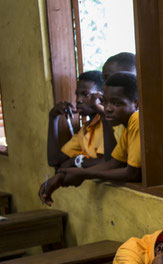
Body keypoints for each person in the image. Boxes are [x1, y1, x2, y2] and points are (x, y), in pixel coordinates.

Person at [39, 72, 140, 206]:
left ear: (136, 104)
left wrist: (82, 173)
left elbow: (132, 173)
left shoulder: (136, 119)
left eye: (116, 103)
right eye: (105, 102)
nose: (108, 108)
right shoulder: (126, 125)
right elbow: (113, 164)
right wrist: (66, 173)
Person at [46, 71, 105, 169]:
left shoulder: (107, 124)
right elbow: (54, 160)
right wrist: (53, 117)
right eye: (77, 95)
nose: (78, 100)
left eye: (85, 94)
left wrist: (75, 161)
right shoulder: (85, 130)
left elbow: (107, 162)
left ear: (100, 97)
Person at [100, 52, 137, 155]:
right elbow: (114, 161)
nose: (103, 86)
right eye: (103, 79)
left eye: (109, 78)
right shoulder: (118, 117)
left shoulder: (137, 118)